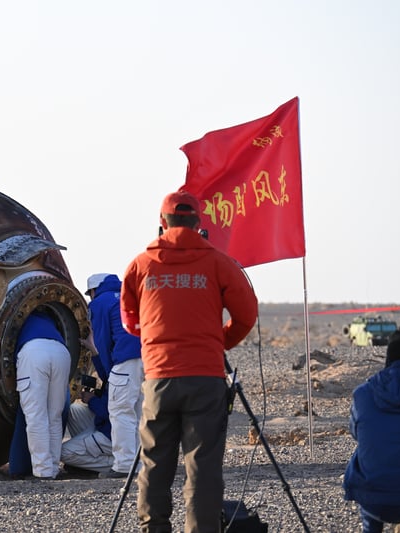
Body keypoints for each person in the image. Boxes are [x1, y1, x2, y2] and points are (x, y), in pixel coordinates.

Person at [120, 190, 258, 533]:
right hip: (205, 378)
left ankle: (154, 528)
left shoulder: (141, 265)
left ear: (162, 223)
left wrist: (156, 344)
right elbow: (246, 314)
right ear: (198, 223)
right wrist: (217, 342)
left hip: (158, 379)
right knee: (203, 468)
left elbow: (129, 320)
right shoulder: (219, 263)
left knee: (154, 464)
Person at [343, 330, 400, 533]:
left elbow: (356, 433)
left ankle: (371, 529)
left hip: (374, 499)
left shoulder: (363, 393)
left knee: (364, 453)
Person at [85, 273, 144, 478]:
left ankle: (124, 466)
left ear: (94, 290)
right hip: (149, 359)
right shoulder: (132, 296)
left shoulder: (99, 303)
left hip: (125, 360)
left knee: (121, 412)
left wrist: (108, 373)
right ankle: (139, 465)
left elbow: (101, 341)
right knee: (139, 413)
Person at [10, 308, 71, 479]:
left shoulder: (22, 320)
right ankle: (52, 468)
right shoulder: (50, 321)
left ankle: (42, 470)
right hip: (61, 351)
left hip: (34, 352)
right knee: (55, 416)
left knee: (36, 416)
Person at [60, 386, 114, 474]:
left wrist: (92, 400)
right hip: (106, 425)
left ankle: (121, 463)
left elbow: (107, 412)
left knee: (63, 452)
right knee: (74, 410)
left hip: (113, 434)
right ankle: (84, 457)